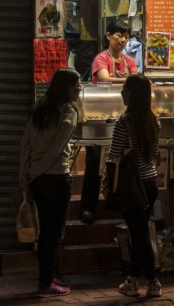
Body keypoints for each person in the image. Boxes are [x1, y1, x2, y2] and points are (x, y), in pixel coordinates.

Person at [18, 68, 82, 297]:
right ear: (66, 88)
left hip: (37, 180)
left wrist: (26, 173)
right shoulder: (68, 112)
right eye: (77, 85)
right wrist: (32, 172)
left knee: (45, 231)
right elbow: (56, 150)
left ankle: (47, 277)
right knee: (54, 233)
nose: (80, 89)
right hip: (56, 178)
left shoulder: (40, 108)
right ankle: (46, 283)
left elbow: (25, 142)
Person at [107, 75, 161, 298]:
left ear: (131, 93)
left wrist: (107, 184)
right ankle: (133, 281)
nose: (122, 93)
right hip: (150, 183)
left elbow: (114, 157)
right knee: (139, 233)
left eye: (124, 89)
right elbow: (154, 154)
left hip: (132, 186)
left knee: (139, 235)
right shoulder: (154, 121)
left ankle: (153, 282)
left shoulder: (124, 122)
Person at [81, 20, 138, 224]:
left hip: (123, 119)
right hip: (99, 117)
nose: (123, 40)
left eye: (126, 37)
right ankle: (87, 209)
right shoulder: (101, 58)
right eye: (119, 36)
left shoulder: (129, 61)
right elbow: (104, 79)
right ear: (108, 36)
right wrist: (130, 80)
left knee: (123, 166)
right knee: (94, 166)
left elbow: (136, 84)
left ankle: (122, 207)